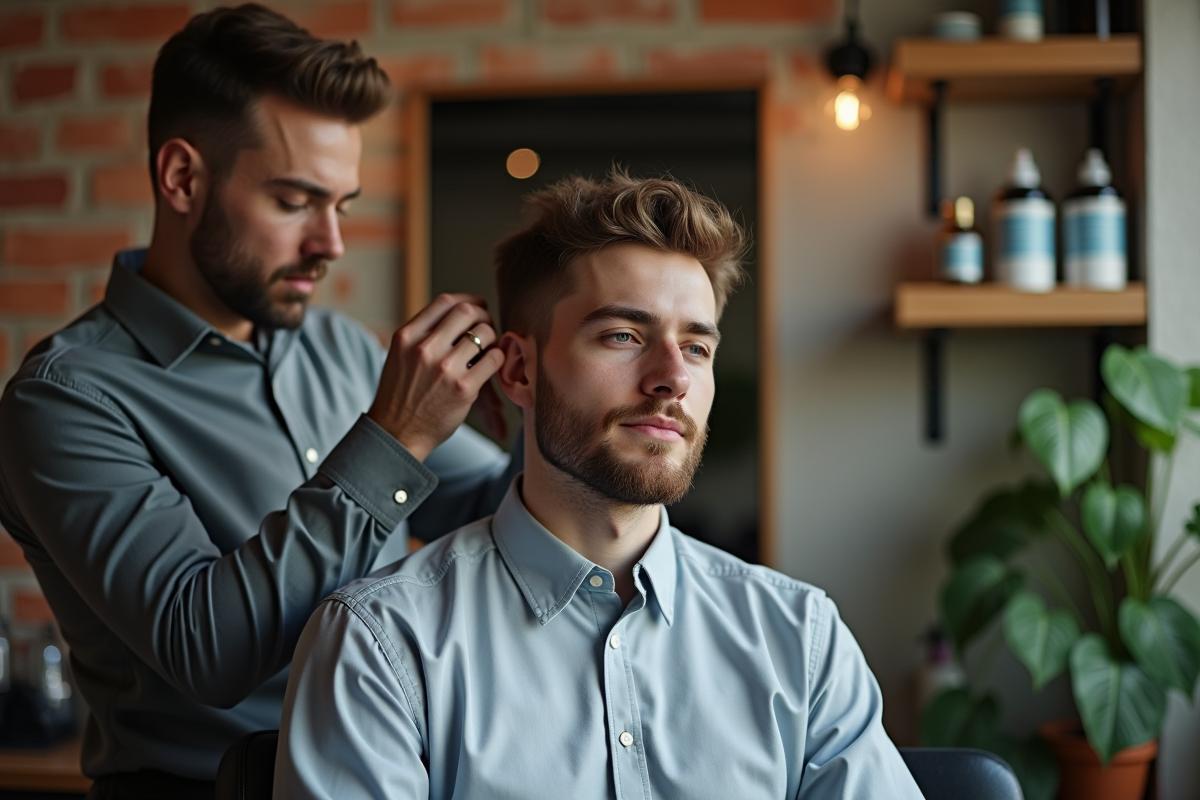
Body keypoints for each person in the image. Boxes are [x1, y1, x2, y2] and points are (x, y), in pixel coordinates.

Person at [0, 5, 519, 796]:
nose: (330, 243)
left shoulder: (341, 348)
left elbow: (493, 505)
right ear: (182, 178)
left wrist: (551, 402)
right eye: (294, 201)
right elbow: (208, 648)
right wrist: (394, 437)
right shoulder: (64, 400)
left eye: (341, 204)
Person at [275, 173, 924, 799]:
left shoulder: (802, 640)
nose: (673, 377)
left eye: (696, 348)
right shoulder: (381, 644)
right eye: (623, 336)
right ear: (520, 370)